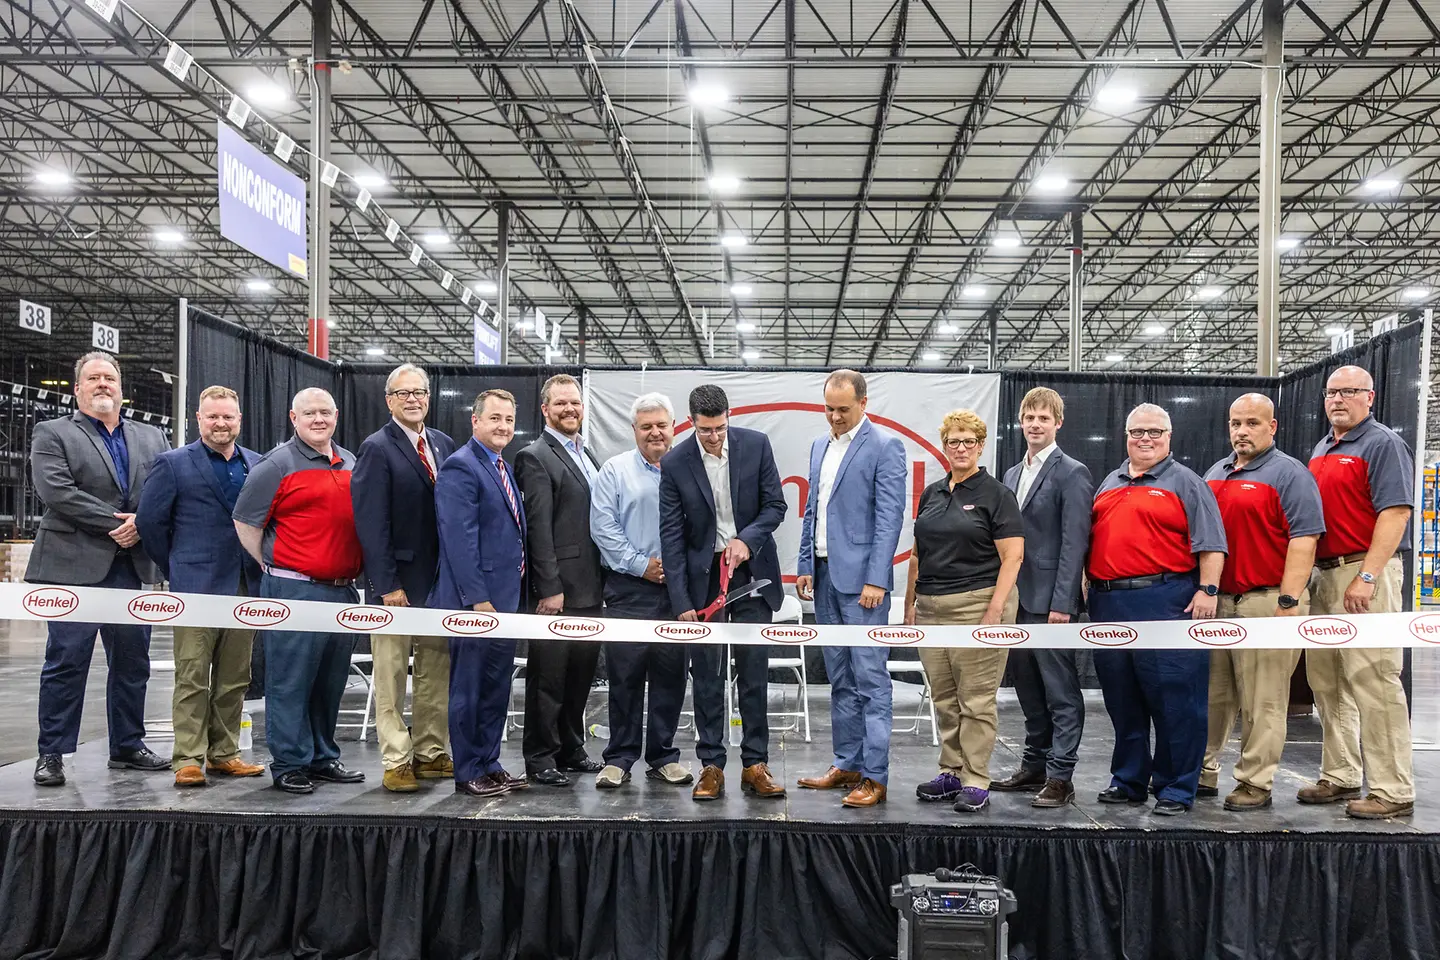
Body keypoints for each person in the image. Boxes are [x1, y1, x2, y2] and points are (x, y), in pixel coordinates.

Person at [27, 351, 171, 787]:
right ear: (77, 389)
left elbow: (164, 489)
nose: (103, 384)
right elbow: (56, 491)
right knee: (66, 661)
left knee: (133, 661)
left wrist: (143, 523)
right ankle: (52, 752)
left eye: (110, 377)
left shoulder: (152, 436)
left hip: (132, 567)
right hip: (72, 566)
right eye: (93, 378)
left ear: (121, 388)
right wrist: (121, 524)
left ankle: (127, 745)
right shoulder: (52, 432)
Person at [1088, 402, 1227, 816]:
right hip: (1110, 602)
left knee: (1176, 698)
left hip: (1167, 599)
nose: (1145, 439)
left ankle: (1175, 787)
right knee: (1121, 697)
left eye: (1154, 432)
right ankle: (1128, 779)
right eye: (1137, 432)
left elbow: (1211, 543)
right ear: (1125, 436)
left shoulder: (1186, 482)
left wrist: (1208, 590)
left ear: (1169, 437)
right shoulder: (1108, 483)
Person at [232, 387, 366, 796]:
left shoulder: (351, 462)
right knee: (290, 681)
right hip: (294, 591)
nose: (318, 419)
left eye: (325, 412)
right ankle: (290, 762)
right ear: (294, 418)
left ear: (336, 415)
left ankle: (322, 756)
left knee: (330, 681)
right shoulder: (276, 464)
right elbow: (246, 522)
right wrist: (274, 565)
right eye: (310, 413)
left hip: (342, 592)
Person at [659, 384, 788, 801]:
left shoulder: (756, 445)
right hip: (703, 583)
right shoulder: (675, 462)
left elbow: (776, 505)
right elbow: (671, 535)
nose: (714, 437)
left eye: (719, 428)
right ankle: (711, 765)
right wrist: (681, 600)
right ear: (691, 423)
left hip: (752, 573)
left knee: (753, 674)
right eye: (705, 430)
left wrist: (747, 540)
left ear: (728, 417)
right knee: (708, 678)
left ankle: (755, 764)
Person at [136, 385, 265, 788]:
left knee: (235, 676)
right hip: (195, 589)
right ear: (199, 419)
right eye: (213, 416)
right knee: (193, 674)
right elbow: (150, 523)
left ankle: (224, 753)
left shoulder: (258, 464)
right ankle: (188, 758)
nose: (220, 423)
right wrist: (177, 565)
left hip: (244, 585)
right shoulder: (173, 463)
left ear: (239, 420)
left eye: (227, 416)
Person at [1200, 394, 1324, 811]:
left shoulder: (1290, 474)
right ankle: (1202, 771)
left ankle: (1255, 782)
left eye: (1252, 423)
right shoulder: (1215, 472)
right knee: (1213, 697)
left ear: (1272, 427)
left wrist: (1288, 602)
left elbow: (1304, 540)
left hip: (1267, 601)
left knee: (1263, 699)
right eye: (1235, 423)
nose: (1241, 431)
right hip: (1219, 604)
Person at [1302, 365, 1415, 819]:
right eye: (1331, 392)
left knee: (1374, 678)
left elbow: (1396, 512)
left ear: (1370, 397)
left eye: (1349, 391)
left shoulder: (1383, 443)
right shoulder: (1323, 447)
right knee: (1327, 681)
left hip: (1365, 572)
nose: (1338, 399)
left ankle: (1393, 789)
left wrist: (1367, 577)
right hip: (1325, 574)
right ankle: (1341, 773)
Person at [902, 410, 1024, 814]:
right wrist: (909, 604)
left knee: (976, 700)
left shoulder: (997, 495)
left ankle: (975, 779)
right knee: (944, 698)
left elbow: (1013, 557)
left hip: (977, 605)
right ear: (944, 445)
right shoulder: (932, 494)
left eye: (968, 441)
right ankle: (950, 772)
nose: (960, 448)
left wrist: (994, 610)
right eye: (953, 441)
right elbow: (917, 555)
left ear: (980, 445)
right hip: (931, 608)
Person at [795, 369, 907, 808]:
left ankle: (875, 777)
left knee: (871, 681)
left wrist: (877, 578)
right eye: (829, 408)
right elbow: (812, 510)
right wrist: (805, 564)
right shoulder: (818, 445)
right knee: (840, 678)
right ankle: (847, 763)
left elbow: (890, 518)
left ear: (864, 403)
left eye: (843, 409)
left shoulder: (885, 446)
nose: (835, 416)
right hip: (824, 578)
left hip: (864, 586)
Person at [350, 364, 456, 793]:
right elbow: (371, 524)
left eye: (419, 392)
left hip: (439, 583)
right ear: (389, 401)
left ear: (429, 397)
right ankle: (396, 759)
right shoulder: (376, 448)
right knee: (391, 675)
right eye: (403, 393)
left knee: (435, 671)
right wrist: (386, 584)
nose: (413, 399)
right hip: (396, 586)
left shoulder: (443, 444)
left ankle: (431, 752)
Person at [992, 387, 1093, 809]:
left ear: (1058, 423)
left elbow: (1075, 543)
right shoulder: (1011, 474)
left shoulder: (1072, 472)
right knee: (1029, 691)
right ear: (1020, 422)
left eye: (1044, 418)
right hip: (1015, 600)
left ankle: (1061, 776)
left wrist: (1063, 603)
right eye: (1029, 417)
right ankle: (1034, 765)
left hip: (1050, 603)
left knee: (1060, 693)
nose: (1035, 424)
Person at [588, 393, 692, 790]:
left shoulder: (689, 469)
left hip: (678, 592)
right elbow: (603, 527)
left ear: (673, 427)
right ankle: (619, 758)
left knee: (671, 676)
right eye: (646, 426)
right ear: (634, 430)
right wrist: (641, 565)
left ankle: (663, 757)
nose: (655, 433)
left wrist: (678, 573)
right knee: (624, 675)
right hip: (629, 588)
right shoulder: (614, 471)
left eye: (661, 425)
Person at [429, 389, 529, 799]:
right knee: (468, 689)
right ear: (475, 421)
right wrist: (477, 599)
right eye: (495, 418)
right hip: (476, 602)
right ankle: (468, 769)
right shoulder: (461, 466)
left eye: (509, 419)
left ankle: (490, 763)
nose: (503, 426)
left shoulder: (501, 466)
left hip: (505, 600)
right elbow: (459, 540)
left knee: (495, 688)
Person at [514, 374, 604, 786]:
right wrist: (548, 588)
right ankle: (540, 756)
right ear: (545, 409)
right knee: (548, 678)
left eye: (575, 402)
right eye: (561, 403)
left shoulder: (588, 454)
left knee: (580, 675)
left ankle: (570, 748)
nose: (570, 409)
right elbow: (538, 530)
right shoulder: (534, 456)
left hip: (591, 587)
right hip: (557, 592)